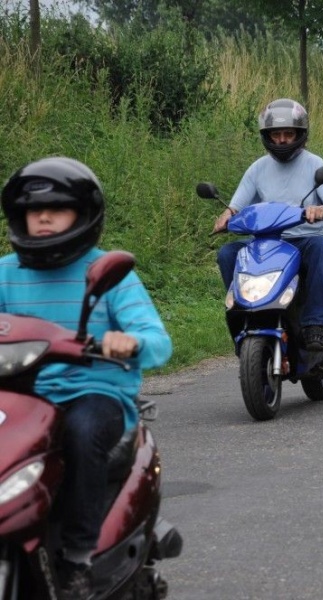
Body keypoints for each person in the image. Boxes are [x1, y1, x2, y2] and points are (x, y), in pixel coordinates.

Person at [0, 157, 172, 600]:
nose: (41, 217)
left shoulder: (110, 275)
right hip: (20, 396)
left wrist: (128, 342)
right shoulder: (5, 272)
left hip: (92, 393)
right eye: (32, 211)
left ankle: (77, 557)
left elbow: (157, 341)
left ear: (83, 215)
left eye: (56, 209)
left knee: (81, 433)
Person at [213, 98, 323, 352]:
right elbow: (235, 206)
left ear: (300, 134)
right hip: (267, 243)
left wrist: (321, 209)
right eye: (276, 134)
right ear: (267, 136)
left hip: (303, 239)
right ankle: (243, 314)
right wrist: (225, 216)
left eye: (288, 133)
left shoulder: (315, 164)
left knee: (321, 246)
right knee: (228, 253)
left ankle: (316, 324)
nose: (282, 140)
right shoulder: (257, 169)